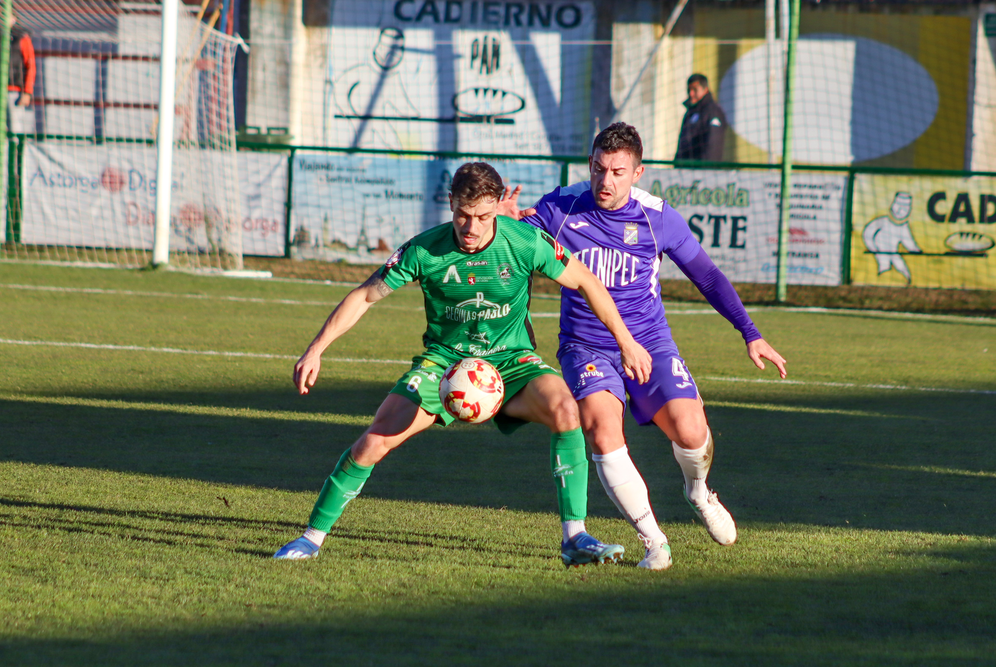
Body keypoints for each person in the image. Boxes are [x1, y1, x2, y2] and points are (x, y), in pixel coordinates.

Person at [274, 161, 653, 567]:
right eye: (463, 216)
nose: (472, 227)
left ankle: (574, 538)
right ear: (451, 203)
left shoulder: (524, 241)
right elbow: (365, 296)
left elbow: (586, 281)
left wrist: (626, 341)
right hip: (444, 367)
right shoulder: (425, 249)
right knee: (375, 440)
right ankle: (311, 537)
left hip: (512, 363)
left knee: (566, 409)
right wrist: (316, 348)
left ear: (496, 210)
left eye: (484, 217)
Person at [500, 122, 787, 570]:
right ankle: (654, 541)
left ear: (637, 173)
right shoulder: (562, 207)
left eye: (617, 171)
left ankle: (698, 490)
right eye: (598, 168)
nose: (605, 181)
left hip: (650, 343)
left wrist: (750, 332)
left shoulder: (658, 217)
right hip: (586, 346)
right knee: (599, 427)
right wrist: (506, 221)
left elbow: (707, 276)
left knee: (691, 432)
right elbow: (513, 247)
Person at [0, 10, 36, 125]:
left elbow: (30, 66)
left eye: (5, 15)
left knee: (14, 126)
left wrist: (27, 92)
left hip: (13, 90)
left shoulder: (22, 38)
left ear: (14, 18)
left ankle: (16, 143)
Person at [675, 73, 725, 162]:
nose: (691, 94)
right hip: (684, 170)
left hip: (701, 172)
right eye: (689, 90)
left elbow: (713, 146)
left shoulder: (713, 112)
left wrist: (705, 170)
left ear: (705, 90)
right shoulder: (690, 112)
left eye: (695, 89)